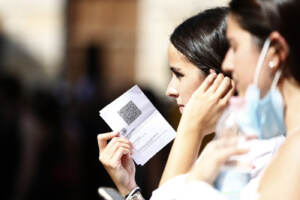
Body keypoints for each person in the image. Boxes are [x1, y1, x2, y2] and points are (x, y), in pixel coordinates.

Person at [153, 0, 300, 199]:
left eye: (235, 46)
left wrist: (190, 129)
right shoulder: (231, 142)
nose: (228, 63)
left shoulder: (275, 150)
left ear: (275, 51)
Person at [97, 7, 233, 199]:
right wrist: (129, 189)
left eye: (179, 74)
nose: (170, 90)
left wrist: (191, 128)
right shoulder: (221, 145)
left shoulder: (247, 152)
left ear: (217, 78)